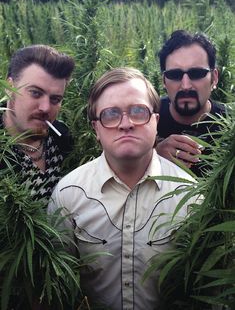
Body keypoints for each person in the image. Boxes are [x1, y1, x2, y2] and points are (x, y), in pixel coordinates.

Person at [48, 67, 199, 309]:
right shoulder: (69, 194)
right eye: (110, 114)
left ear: (155, 122)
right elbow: (56, 285)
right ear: (96, 129)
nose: (126, 124)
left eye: (138, 111)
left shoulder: (190, 196)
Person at [1, 44, 75, 200]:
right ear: (9, 86)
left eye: (55, 99)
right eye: (35, 93)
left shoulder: (64, 139)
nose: (45, 108)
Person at [157, 30, 226, 177]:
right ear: (163, 81)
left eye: (196, 73)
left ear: (214, 78)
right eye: (175, 75)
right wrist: (153, 157)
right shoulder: (145, 118)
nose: (186, 85)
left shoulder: (231, 124)